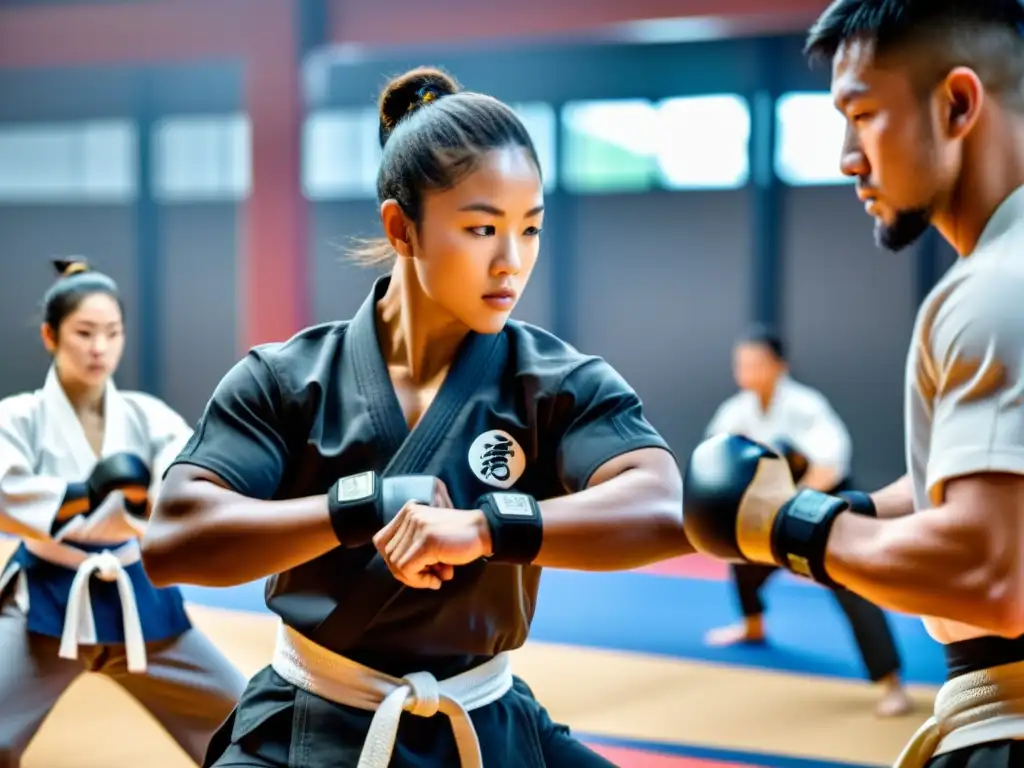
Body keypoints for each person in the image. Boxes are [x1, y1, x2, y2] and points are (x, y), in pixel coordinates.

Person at [143, 67, 684, 768]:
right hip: (309, 726)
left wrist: (486, 527)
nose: (511, 262)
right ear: (402, 228)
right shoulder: (287, 379)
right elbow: (174, 538)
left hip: (486, 726)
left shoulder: (554, 383)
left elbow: (664, 505)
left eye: (530, 228)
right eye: (482, 228)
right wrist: (356, 508)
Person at [680, 1, 1024, 766]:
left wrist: (789, 523)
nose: (846, 157)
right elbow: (990, 481)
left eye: (862, 115)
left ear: (958, 104)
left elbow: (990, 574)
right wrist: (855, 510)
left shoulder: (994, 288)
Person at [0, 259, 247, 767]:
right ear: (51, 336)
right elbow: (7, 491)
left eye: (112, 333)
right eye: (84, 333)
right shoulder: (18, 417)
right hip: (45, 599)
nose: (99, 348)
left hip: (138, 596)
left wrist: (145, 499)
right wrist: (84, 490)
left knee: (243, 722)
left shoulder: (146, 415)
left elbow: (186, 481)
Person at [702, 325, 911, 717]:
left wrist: (794, 505)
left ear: (779, 365)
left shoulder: (805, 405)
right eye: (741, 363)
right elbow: (716, 457)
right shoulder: (737, 410)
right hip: (772, 505)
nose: (747, 370)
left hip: (822, 500)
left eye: (756, 362)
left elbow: (829, 464)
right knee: (740, 559)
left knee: (849, 581)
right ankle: (753, 625)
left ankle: (891, 682)